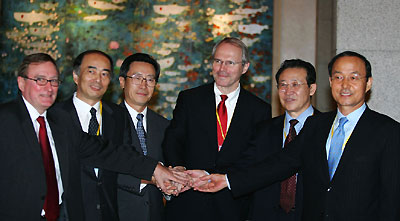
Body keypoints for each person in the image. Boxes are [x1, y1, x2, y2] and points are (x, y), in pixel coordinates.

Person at [196, 51, 400, 220]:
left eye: (354, 77)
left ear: (368, 83)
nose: (345, 85)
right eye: (338, 77)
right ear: (330, 82)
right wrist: (226, 180)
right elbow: (279, 163)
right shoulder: (316, 126)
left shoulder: (388, 131)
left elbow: (392, 197)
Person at [0, 53, 185, 220]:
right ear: (21, 83)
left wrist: (156, 169)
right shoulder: (6, 120)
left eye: (54, 81)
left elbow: (107, 152)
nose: (48, 87)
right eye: (40, 80)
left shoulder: (59, 123)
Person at [162, 37, 271, 221]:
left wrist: (216, 176)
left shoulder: (259, 109)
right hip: (188, 200)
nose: (222, 69)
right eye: (218, 61)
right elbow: (173, 140)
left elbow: (255, 158)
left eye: (230, 63)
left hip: (232, 206)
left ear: (244, 67)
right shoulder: (190, 99)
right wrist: (179, 169)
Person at [55, 50, 129, 221]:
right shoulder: (55, 116)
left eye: (105, 74)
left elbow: (125, 159)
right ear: (75, 76)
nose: (98, 79)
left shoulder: (118, 116)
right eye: (91, 71)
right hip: (68, 215)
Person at [247, 59, 318, 221]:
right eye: (283, 85)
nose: (288, 91)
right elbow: (246, 169)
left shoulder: (327, 128)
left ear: (312, 88)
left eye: (295, 84)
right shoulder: (262, 130)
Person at [117, 53, 169, 221]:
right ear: (122, 82)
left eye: (150, 79)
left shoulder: (165, 126)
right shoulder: (107, 121)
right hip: (118, 213)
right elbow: (104, 171)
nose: (143, 85)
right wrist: (151, 178)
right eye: (137, 78)